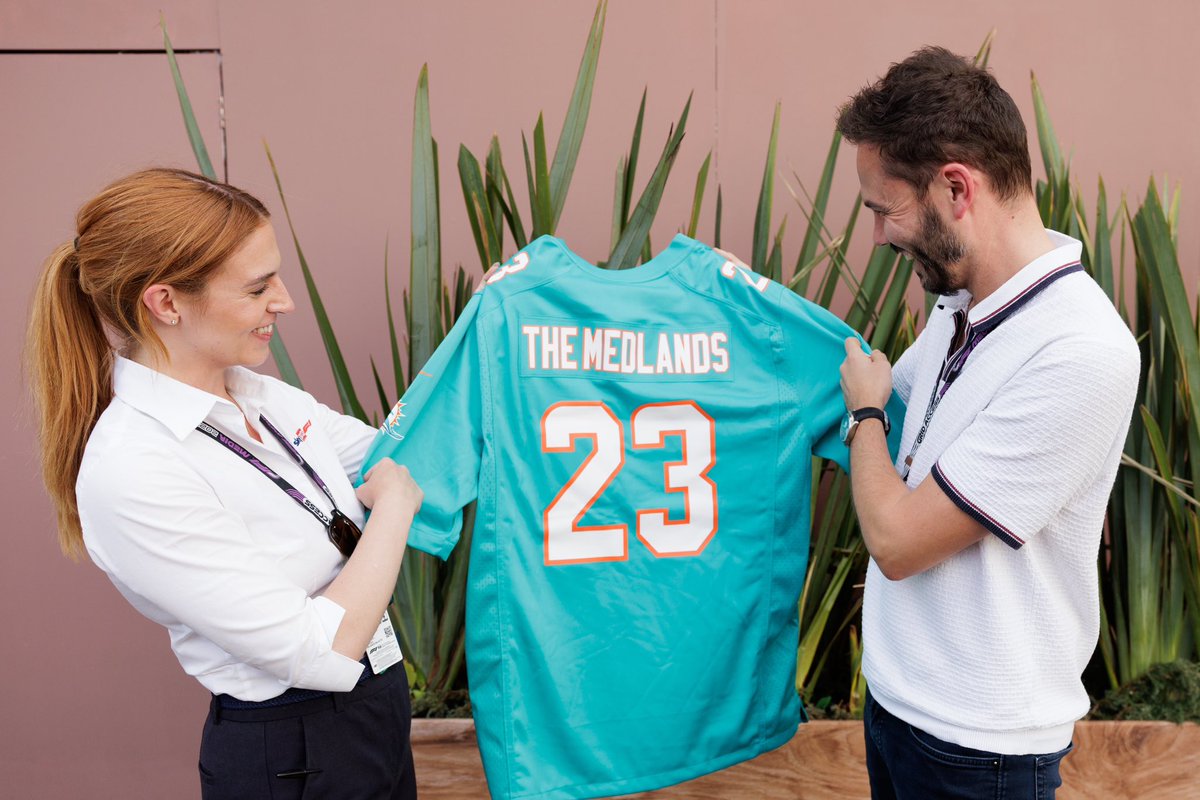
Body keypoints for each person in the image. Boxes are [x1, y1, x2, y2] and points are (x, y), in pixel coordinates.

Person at [26, 168, 423, 799]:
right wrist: (395, 507)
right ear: (166, 303)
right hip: (298, 753)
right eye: (258, 286)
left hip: (375, 713)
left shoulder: (257, 394)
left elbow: (406, 451)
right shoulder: (133, 468)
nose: (285, 301)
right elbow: (320, 651)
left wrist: (486, 328)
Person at [835, 48, 1140, 798]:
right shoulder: (960, 307)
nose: (878, 237)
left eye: (884, 208)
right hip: (899, 714)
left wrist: (866, 411)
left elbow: (899, 541)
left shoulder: (1080, 351)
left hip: (981, 757)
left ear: (956, 188)